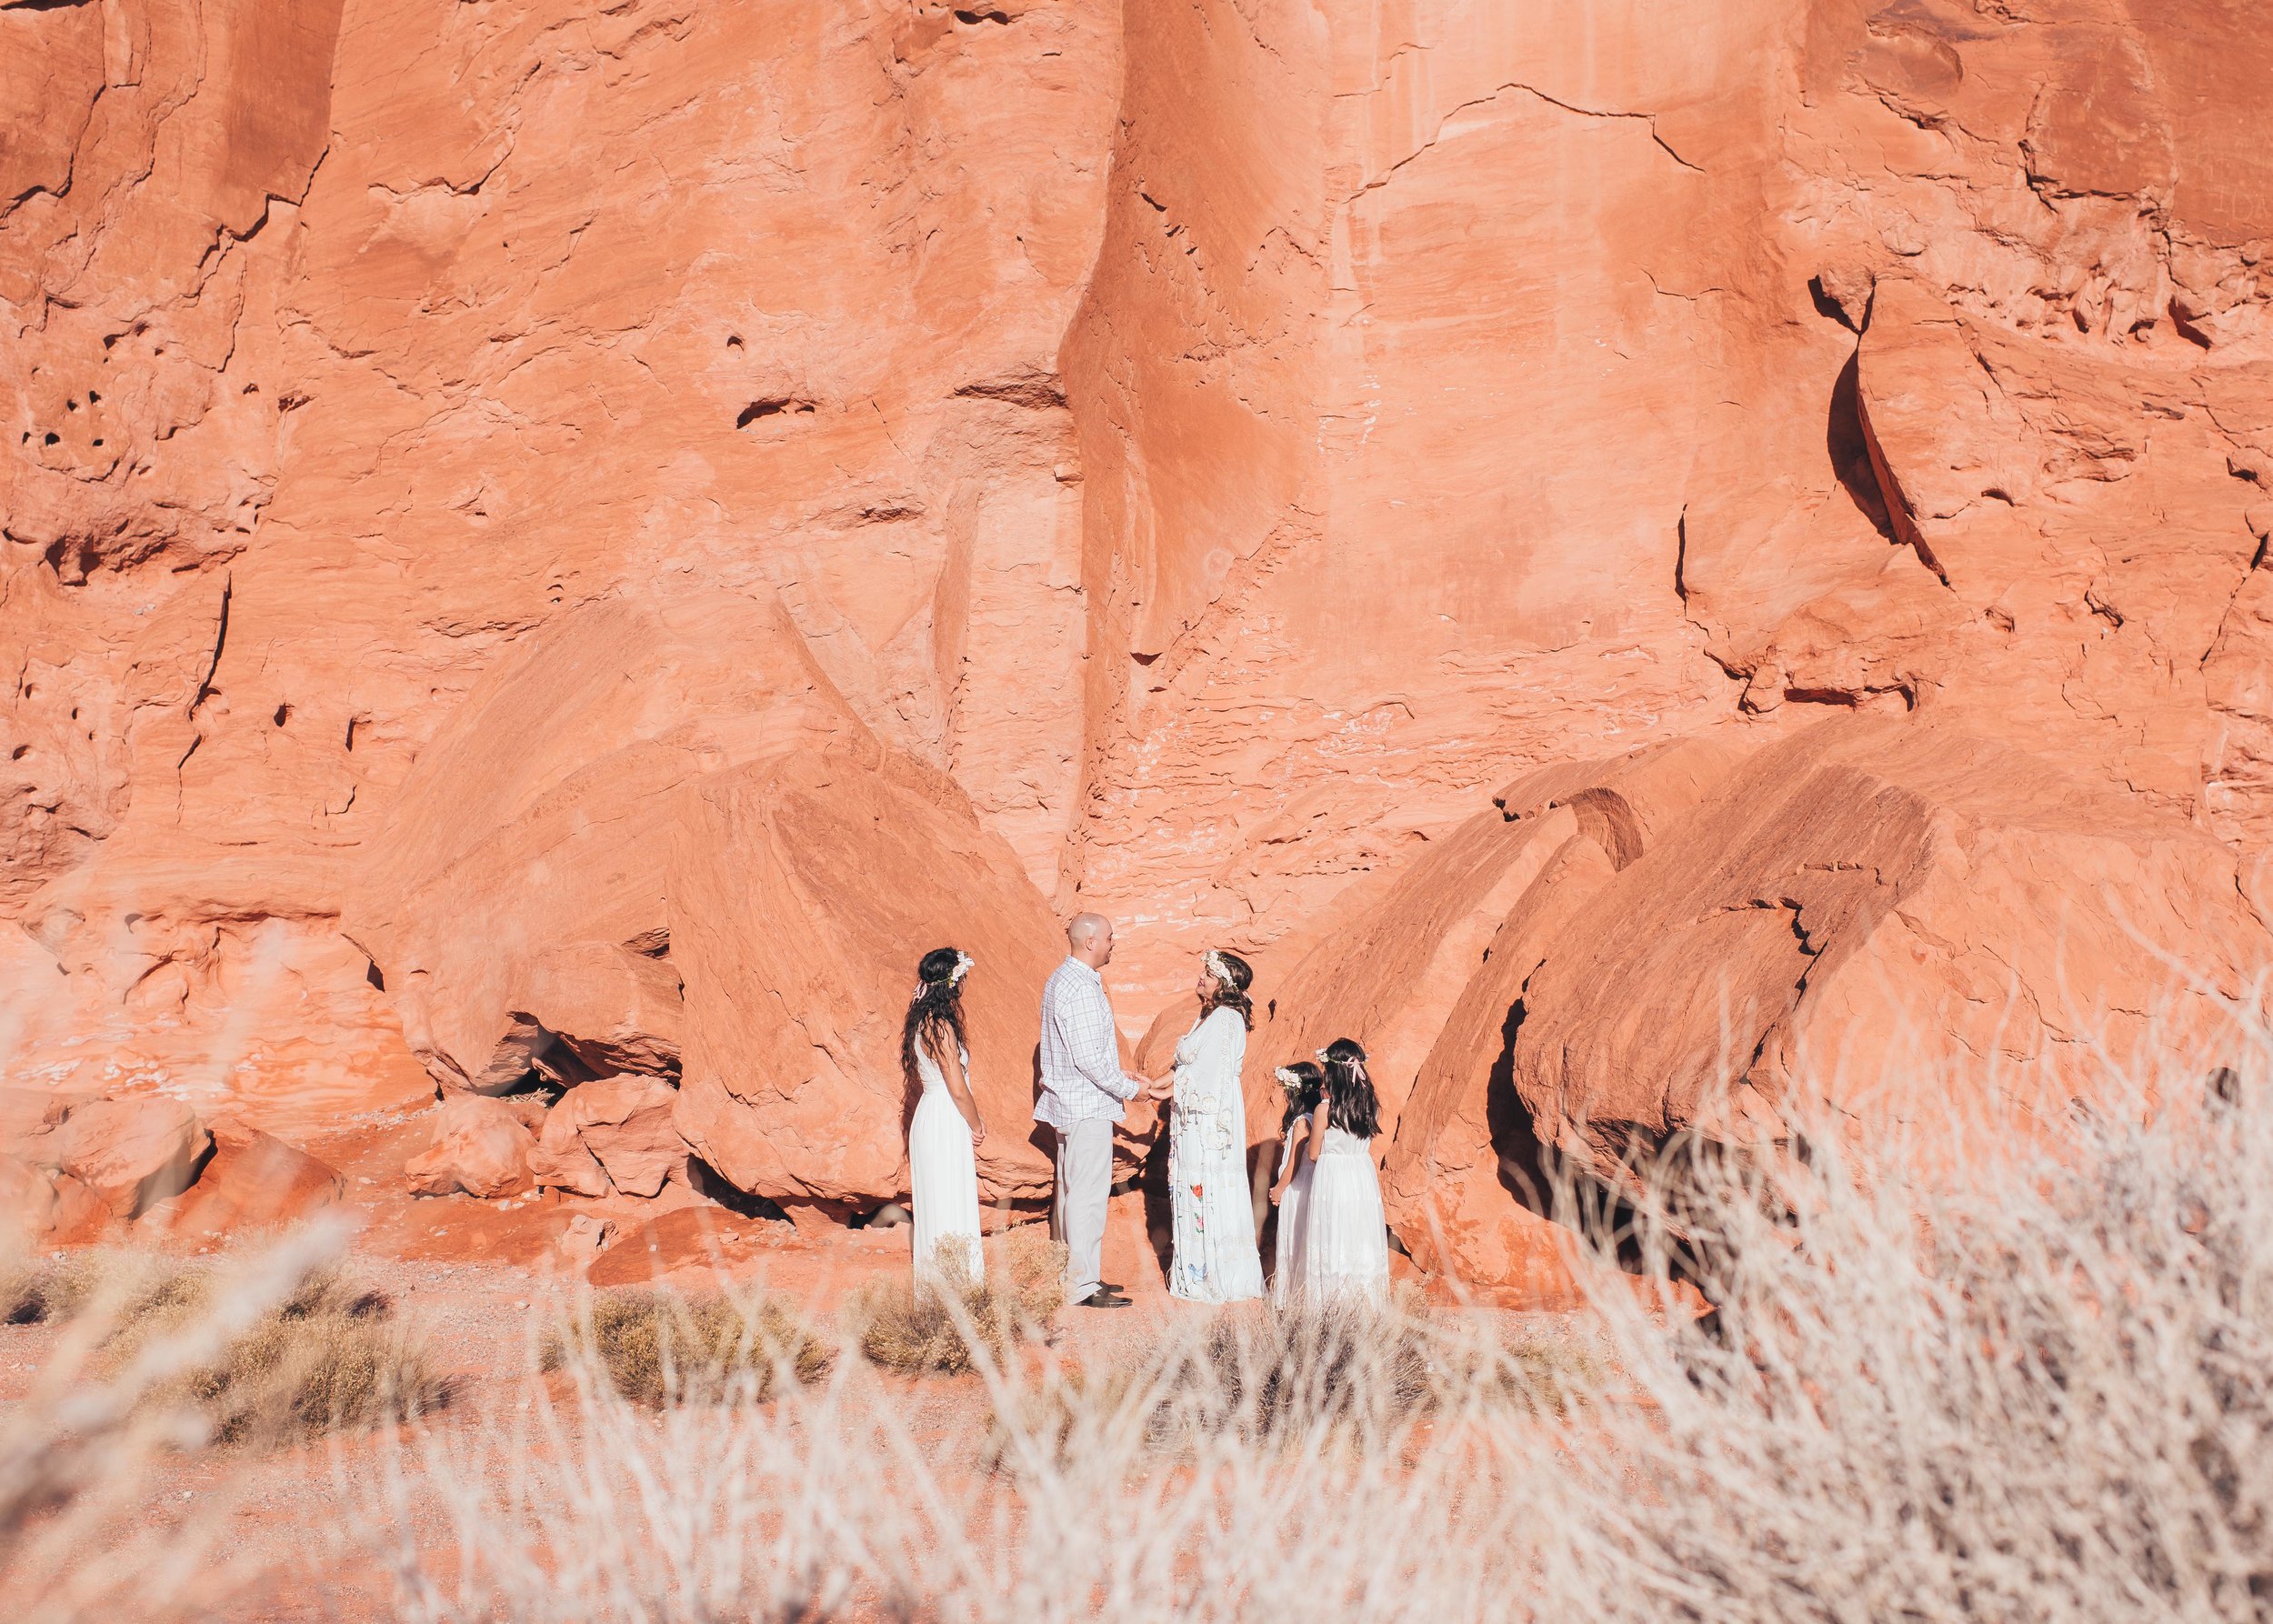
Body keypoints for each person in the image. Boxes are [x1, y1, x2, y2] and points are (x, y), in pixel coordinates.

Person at [1036, 913, 1147, 1308]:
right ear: (1090, 942)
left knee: (1071, 1192)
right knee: (1087, 1195)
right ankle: (1081, 1285)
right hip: (1085, 1104)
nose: (1113, 943)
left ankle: (1078, 1277)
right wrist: (1130, 1089)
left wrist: (1120, 1073)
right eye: (1110, 938)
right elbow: (1086, 1059)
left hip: (1072, 1102)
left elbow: (1085, 1052)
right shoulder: (1080, 987)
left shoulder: (1063, 980)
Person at [1149, 948, 1266, 1304]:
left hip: (1208, 1119)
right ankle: (1198, 1269)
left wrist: (1157, 1090)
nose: (1200, 977)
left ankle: (1215, 1275)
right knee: (1192, 1183)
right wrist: (1147, 1085)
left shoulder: (1227, 1018)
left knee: (1206, 1183)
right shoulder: (1207, 1017)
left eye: (1208, 974)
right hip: (1193, 1120)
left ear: (1223, 983)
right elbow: (1183, 1067)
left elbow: (1207, 1076)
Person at [904, 947, 985, 1286]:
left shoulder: (920, 1018)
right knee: (951, 1198)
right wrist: (976, 1123)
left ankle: (937, 1291)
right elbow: (957, 1086)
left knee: (936, 1202)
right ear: (952, 983)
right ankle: (958, 1290)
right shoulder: (941, 1026)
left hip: (928, 1116)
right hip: (946, 1117)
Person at [1299, 1038, 1391, 1305]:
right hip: (1361, 1175)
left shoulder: (1324, 1110)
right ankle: (1365, 1304)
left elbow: (1314, 1153)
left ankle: (1331, 1304)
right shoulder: (1369, 1106)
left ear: (1333, 1073)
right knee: (1358, 1235)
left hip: (1334, 1177)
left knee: (1334, 1234)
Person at [1267, 1060, 1323, 1305]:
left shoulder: (1302, 1122)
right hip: (1310, 1185)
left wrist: (1279, 1188)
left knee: (1295, 1237)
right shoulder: (1315, 1116)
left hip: (1297, 1186)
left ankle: (1292, 1298)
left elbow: (1294, 1163)